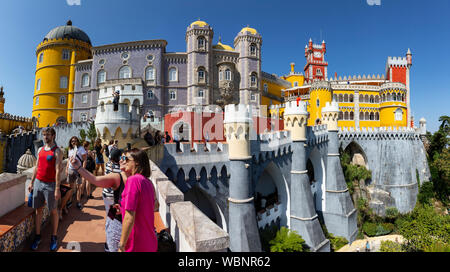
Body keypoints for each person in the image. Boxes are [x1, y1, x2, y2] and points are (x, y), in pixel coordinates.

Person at [70, 148, 158, 252]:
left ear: (137, 162)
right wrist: (79, 167)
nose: (121, 160)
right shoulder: (148, 182)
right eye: (121, 158)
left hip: (130, 232)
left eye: (125, 158)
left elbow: (130, 217)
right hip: (132, 229)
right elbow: (154, 206)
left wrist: (122, 245)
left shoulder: (133, 180)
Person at [28, 127, 63, 251]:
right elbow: (36, 167)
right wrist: (32, 182)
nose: (45, 137)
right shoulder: (40, 149)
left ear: (53, 135)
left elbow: (58, 170)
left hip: (51, 185)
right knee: (38, 210)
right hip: (38, 183)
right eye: (44, 135)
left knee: (53, 211)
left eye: (47, 135)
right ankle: (38, 236)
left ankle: (54, 236)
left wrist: (57, 188)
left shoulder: (57, 151)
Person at [66, 136, 87, 210]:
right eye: (72, 141)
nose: (73, 142)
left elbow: (84, 160)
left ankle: (78, 202)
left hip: (78, 170)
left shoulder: (81, 149)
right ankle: (70, 201)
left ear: (77, 141)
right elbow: (69, 159)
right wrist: (66, 168)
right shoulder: (70, 149)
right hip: (71, 169)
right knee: (71, 186)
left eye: (75, 141)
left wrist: (82, 170)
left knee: (78, 187)